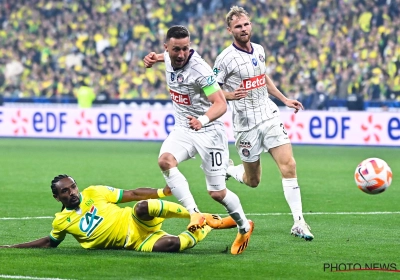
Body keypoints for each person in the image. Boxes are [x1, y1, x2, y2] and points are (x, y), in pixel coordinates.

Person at [143, 25, 254, 255]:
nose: (181, 54)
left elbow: (221, 103)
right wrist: (155, 58)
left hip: (209, 131)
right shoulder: (167, 57)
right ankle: (194, 212)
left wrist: (202, 120)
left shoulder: (201, 70)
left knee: (217, 193)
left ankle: (244, 226)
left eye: (185, 49)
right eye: (176, 50)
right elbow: (165, 57)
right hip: (183, 129)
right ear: (167, 47)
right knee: (165, 161)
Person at [213, 6, 314, 240]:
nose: (243, 29)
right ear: (230, 30)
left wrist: (284, 99)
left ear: (251, 25)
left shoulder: (259, 49)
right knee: (253, 181)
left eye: (246, 24)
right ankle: (229, 169)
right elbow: (211, 87)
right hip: (245, 124)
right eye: (238, 26)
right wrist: (229, 95)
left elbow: (262, 76)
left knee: (289, 165)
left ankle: (299, 222)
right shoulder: (225, 59)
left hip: (269, 115)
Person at [0, 174, 217, 252]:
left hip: (136, 221)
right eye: (65, 191)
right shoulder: (61, 221)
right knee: (172, 245)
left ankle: (194, 214)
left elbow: (131, 194)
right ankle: (204, 225)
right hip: (133, 243)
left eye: (73, 186)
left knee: (142, 206)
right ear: (57, 198)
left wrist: (162, 191)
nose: (72, 192)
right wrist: (13, 246)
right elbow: (50, 242)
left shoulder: (95, 192)